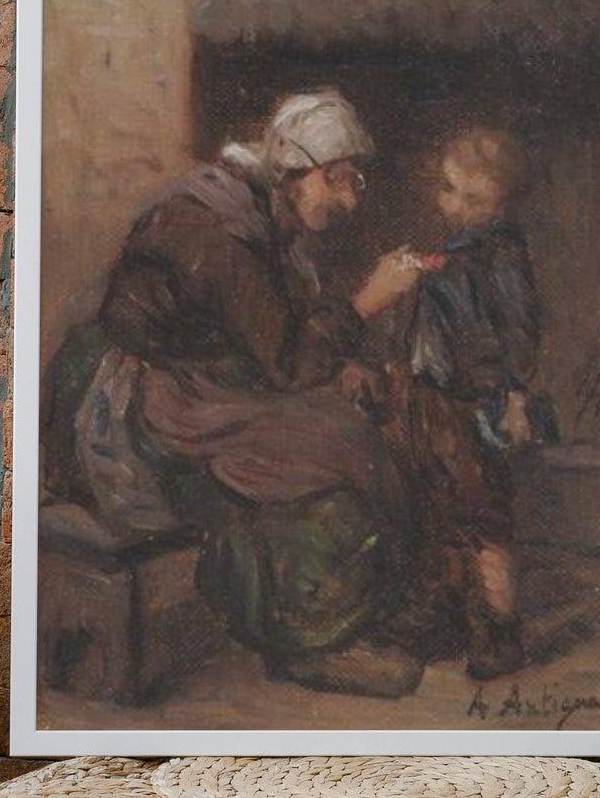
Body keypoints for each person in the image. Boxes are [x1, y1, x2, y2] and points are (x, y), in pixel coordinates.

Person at [57, 88, 426, 698]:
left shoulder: (263, 210)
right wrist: (368, 302)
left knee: (346, 422)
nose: (349, 200)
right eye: (337, 181)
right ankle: (312, 641)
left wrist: (341, 364)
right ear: (294, 170)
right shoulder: (217, 224)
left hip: (207, 383)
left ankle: (348, 610)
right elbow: (283, 359)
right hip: (147, 397)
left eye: (353, 181)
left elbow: (282, 328)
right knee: (329, 448)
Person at [387, 126, 552, 682]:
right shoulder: (455, 252)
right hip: (434, 401)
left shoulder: (501, 253)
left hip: (478, 403)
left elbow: (520, 331)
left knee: (484, 521)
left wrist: (515, 396)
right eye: (451, 190)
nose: (457, 205)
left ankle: (499, 632)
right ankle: (449, 618)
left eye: (475, 199)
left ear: (503, 203)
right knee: (440, 512)